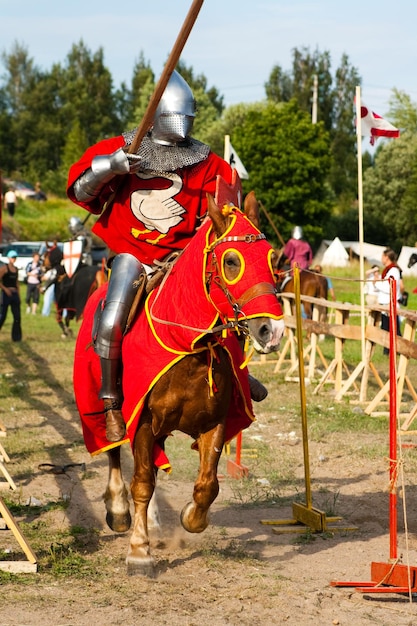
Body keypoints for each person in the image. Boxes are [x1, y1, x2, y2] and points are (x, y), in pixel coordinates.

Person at [67, 70, 267, 443]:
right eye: (175, 117)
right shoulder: (124, 146)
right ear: (156, 115)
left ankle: (238, 373)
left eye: (186, 119)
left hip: (184, 258)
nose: (181, 126)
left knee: (223, 303)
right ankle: (112, 401)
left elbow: (228, 210)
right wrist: (111, 166)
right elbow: (80, 192)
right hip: (135, 254)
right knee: (111, 319)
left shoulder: (207, 162)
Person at [374, 248, 402, 354]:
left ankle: (396, 351)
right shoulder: (388, 270)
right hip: (385, 304)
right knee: (386, 329)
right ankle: (388, 351)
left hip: (390, 304)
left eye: (382, 256)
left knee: (393, 331)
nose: (381, 258)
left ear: (387, 257)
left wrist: (376, 283)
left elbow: (389, 288)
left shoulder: (393, 271)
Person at [0, 250, 22, 341]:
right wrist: (5, 289)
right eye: (12, 257)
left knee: (17, 317)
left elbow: (17, 283)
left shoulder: (16, 269)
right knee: (2, 316)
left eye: (15, 257)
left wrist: (19, 295)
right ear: (8, 258)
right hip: (6, 294)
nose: (14, 259)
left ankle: (16, 337)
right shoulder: (4, 268)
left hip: (14, 293)